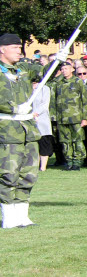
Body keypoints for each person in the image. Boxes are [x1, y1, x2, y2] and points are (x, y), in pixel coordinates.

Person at [0, 34, 47, 228]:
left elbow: (44, 72)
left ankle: (22, 214)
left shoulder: (24, 69)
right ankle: (8, 215)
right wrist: (12, 108)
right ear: (2, 49)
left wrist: (58, 61)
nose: (19, 51)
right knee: (8, 173)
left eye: (20, 48)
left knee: (28, 174)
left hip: (27, 130)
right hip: (7, 131)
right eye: (14, 48)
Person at [52, 61, 87, 171]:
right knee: (65, 141)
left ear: (72, 69)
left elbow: (85, 101)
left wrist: (85, 118)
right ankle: (69, 161)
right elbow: (54, 101)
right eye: (62, 69)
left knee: (77, 140)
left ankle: (77, 161)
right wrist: (55, 118)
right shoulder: (58, 83)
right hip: (62, 118)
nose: (64, 71)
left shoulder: (78, 82)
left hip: (76, 117)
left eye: (66, 69)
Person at [31, 80, 53, 171]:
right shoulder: (26, 87)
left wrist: (35, 113)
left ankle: (43, 167)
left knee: (44, 142)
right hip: (29, 119)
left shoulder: (44, 88)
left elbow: (45, 104)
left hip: (42, 120)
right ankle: (34, 165)